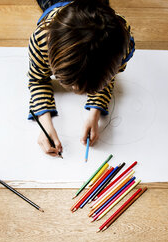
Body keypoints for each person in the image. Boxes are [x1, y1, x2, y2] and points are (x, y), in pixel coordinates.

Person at [28, 0, 135, 157]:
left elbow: (108, 77)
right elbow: (37, 79)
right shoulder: (41, 42)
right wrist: (46, 124)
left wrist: (95, 113)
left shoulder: (121, 47)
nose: (76, 91)